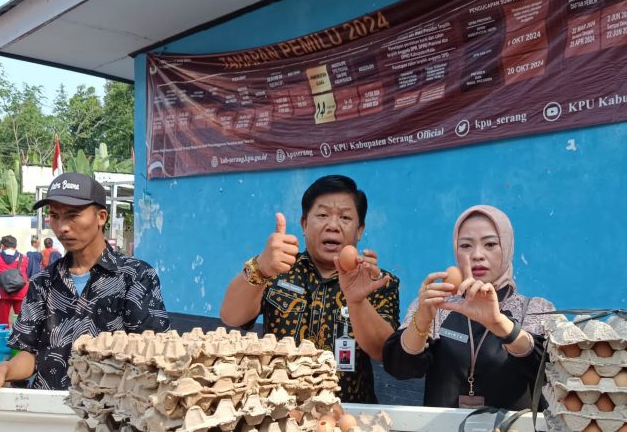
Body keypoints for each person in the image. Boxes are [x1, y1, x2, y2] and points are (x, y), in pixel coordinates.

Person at [220, 175, 400, 403]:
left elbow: (384, 352)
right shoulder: (278, 269)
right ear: (304, 224)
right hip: (279, 410)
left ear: (359, 230)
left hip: (348, 412)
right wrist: (260, 268)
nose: (333, 226)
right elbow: (231, 316)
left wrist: (359, 301)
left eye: (345, 217)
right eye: (322, 215)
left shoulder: (378, 281)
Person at [0, 172, 170, 390]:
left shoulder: (135, 276)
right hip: (49, 405)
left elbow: (152, 351)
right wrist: (5, 370)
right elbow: (28, 352)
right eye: (55, 216)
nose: (62, 227)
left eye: (73, 215)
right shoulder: (42, 282)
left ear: (101, 217)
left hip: (110, 406)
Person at [382, 205, 555, 409]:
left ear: (507, 247)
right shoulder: (437, 305)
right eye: (465, 245)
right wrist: (421, 319)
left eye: (490, 244)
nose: (477, 255)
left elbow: (549, 370)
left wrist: (499, 324)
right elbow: (400, 368)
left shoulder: (535, 309)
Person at [0, 235, 29, 325]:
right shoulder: (24, 258)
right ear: (15, 245)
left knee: (3, 322)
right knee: (21, 321)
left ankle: (4, 334)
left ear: (3, 246)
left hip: (3, 292)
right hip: (20, 291)